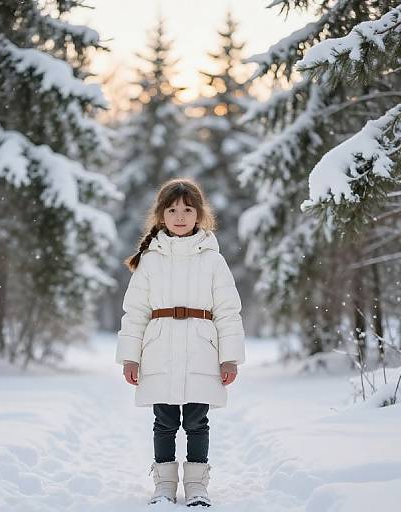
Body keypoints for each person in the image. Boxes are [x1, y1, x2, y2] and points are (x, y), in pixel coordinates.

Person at [115, 177, 246, 507]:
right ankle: (164, 485)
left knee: (197, 422)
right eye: (172, 210)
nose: (180, 216)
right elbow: (135, 311)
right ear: (161, 215)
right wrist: (131, 357)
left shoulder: (213, 260)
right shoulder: (150, 260)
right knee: (165, 421)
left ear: (199, 214)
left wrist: (228, 358)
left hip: (202, 348)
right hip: (159, 348)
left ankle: (197, 486)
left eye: (188, 210)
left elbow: (229, 311)